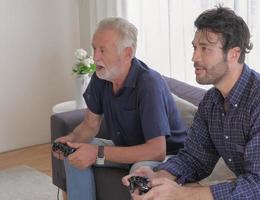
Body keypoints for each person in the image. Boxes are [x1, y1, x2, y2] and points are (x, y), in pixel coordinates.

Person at [122, 6, 260, 200]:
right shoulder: (211, 102)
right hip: (257, 188)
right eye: (194, 47)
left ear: (234, 54)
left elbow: (258, 187)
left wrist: (179, 194)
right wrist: (158, 178)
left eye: (205, 49)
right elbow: (195, 157)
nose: (194, 57)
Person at [52, 17, 187, 200]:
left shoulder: (148, 83)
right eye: (94, 48)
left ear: (127, 53)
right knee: (75, 152)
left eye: (102, 50)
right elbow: (90, 124)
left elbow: (157, 150)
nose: (95, 57)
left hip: (167, 157)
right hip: (125, 147)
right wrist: (70, 140)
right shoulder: (101, 77)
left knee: (139, 173)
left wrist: (97, 153)